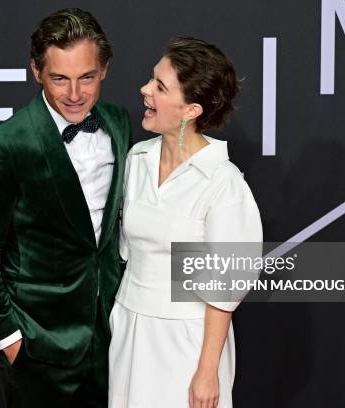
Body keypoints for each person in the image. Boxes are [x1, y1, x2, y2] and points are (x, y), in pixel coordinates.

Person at [0, 8, 132, 407]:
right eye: (60, 78)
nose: (74, 94)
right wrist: (9, 338)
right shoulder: (6, 146)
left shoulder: (118, 123)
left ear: (104, 69)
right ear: (36, 71)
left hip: (112, 340)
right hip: (38, 347)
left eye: (86, 77)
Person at [109, 37, 263, 408]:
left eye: (160, 87)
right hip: (130, 327)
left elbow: (227, 286)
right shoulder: (137, 159)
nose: (144, 90)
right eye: (151, 79)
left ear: (191, 109)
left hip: (187, 341)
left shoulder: (222, 182)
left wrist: (207, 370)